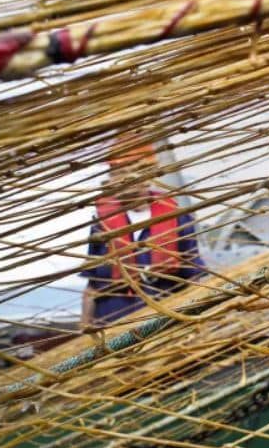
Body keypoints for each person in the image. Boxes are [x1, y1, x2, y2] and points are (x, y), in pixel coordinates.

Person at [80, 136, 204, 332]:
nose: (119, 180)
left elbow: (193, 275)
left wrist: (193, 322)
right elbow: (92, 286)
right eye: (115, 173)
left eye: (127, 172)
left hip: (163, 317)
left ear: (147, 176)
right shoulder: (102, 225)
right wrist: (85, 327)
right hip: (114, 322)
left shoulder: (177, 217)